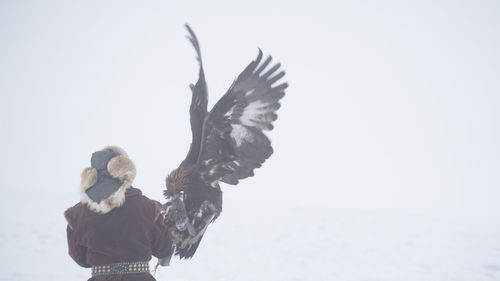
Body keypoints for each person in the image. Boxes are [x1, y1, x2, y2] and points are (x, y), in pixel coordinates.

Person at [64, 146, 173, 281]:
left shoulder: (78, 213)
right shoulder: (148, 207)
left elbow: (80, 258)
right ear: (126, 171)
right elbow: (164, 249)